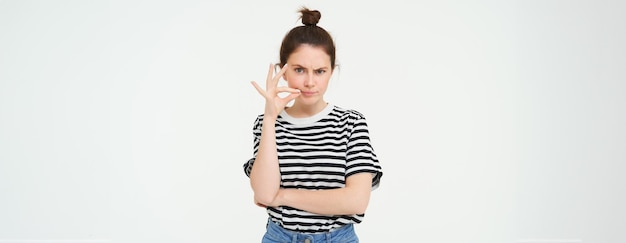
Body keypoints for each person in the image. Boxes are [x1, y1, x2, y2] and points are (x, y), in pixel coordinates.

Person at [244, 7, 383, 243]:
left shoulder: (350, 123)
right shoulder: (265, 124)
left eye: (319, 71)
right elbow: (265, 193)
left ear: (331, 72)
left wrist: (284, 196)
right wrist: (269, 119)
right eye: (299, 70)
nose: (310, 82)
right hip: (279, 238)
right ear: (283, 72)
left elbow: (357, 200)